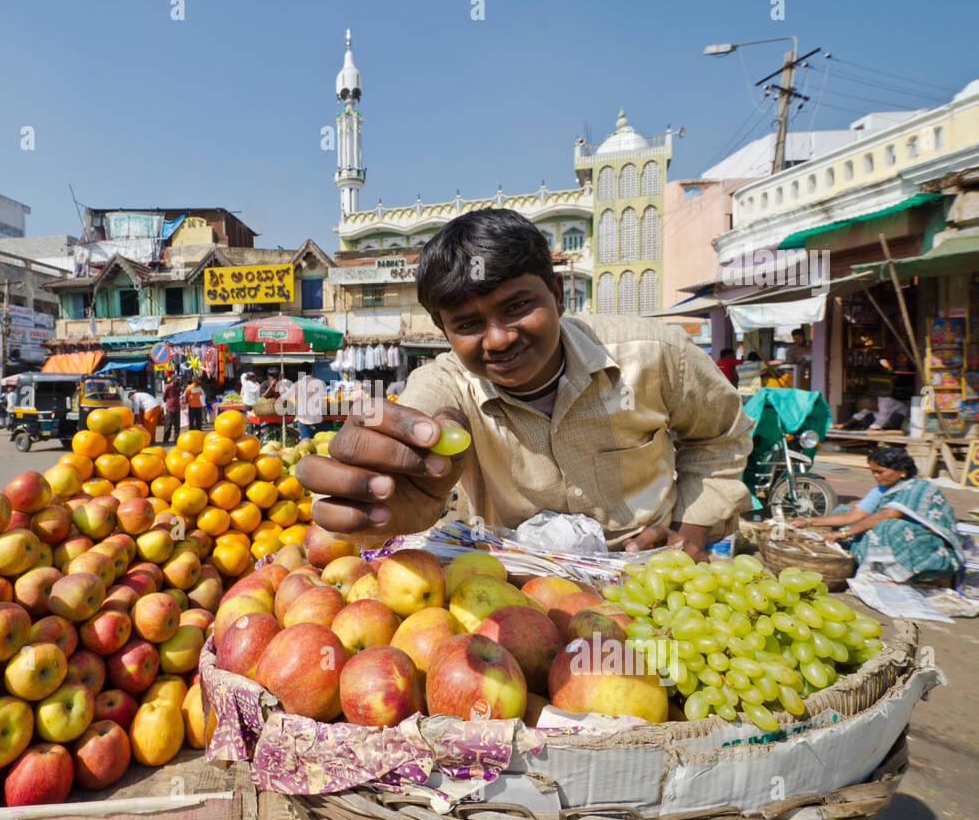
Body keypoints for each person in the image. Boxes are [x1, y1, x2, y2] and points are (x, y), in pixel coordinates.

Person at [295, 208, 752, 560]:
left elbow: (720, 438)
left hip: (651, 576)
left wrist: (690, 532)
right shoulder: (445, 384)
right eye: (469, 324)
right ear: (444, 333)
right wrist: (385, 493)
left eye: (516, 307)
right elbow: (417, 421)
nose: (498, 339)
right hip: (518, 603)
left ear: (556, 294)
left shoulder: (653, 354)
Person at [791, 446, 962, 583]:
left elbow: (887, 514)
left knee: (887, 526)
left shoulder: (919, 487)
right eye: (873, 472)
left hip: (927, 545)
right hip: (893, 536)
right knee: (841, 510)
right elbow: (853, 515)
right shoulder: (882, 489)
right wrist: (808, 521)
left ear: (901, 471)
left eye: (880, 471)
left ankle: (898, 572)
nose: (876, 476)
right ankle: (860, 561)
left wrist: (842, 534)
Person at [833, 395, 908, 431]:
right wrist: (845, 424)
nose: (867, 409)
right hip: (886, 420)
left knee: (895, 418)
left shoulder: (886, 402)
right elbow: (859, 415)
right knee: (868, 415)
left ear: (874, 402)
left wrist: (868, 432)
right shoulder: (871, 405)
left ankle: (893, 435)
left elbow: (881, 420)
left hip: (901, 418)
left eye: (868, 407)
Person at [291, 371, 327, 441]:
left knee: (305, 442)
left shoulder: (297, 384)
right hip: (317, 416)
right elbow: (323, 397)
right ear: (311, 371)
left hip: (303, 417)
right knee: (325, 436)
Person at [161, 377, 181, 444]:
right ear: (173, 379)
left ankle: (176, 439)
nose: (178, 380)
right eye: (177, 379)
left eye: (178, 380)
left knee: (177, 424)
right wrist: (168, 401)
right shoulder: (168, 387)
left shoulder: (178, 387)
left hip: (177, 406)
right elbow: (164, 396)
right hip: (170, 407)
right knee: (168, 424)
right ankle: (166, 439)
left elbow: (178, 395)